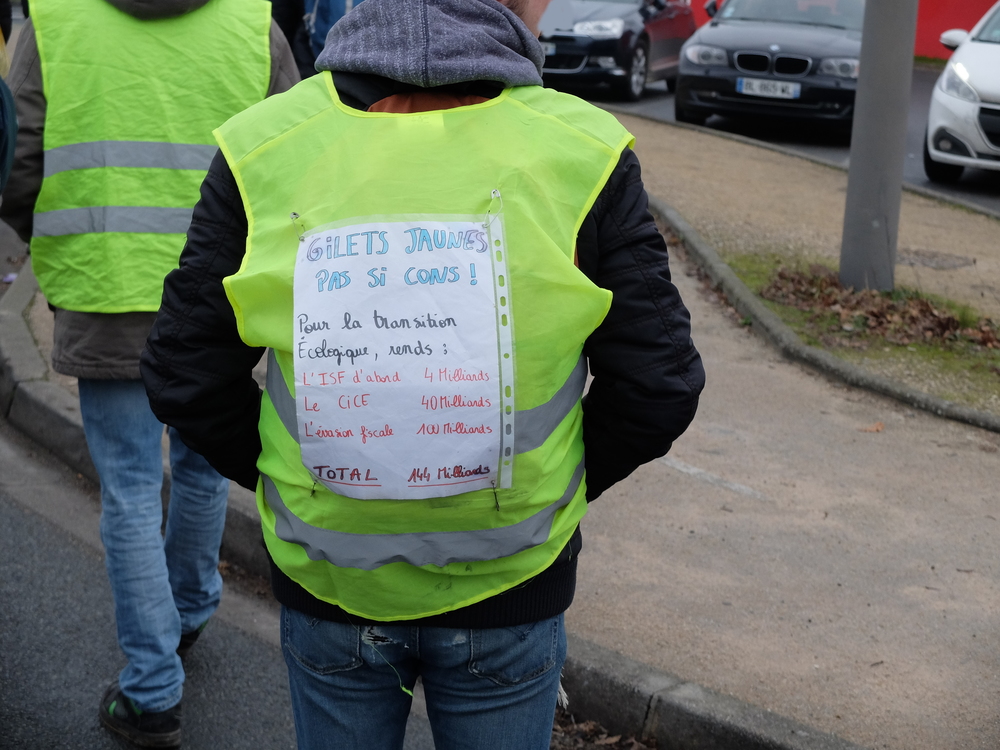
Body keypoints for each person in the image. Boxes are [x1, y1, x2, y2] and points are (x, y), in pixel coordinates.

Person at [140, 0, 705, 747]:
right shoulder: (582, 151)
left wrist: (301, 474)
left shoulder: (265, 148)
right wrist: (553, 477)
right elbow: (659, 382)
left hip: (330, 581)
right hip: (512, 583)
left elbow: (184, 369)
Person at [0, 0, 298, 747]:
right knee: (200, 467)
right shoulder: (251, 22)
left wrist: (25, 231)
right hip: (219, 291)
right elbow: (296, 153)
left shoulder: (55, 20)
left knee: (130, 486)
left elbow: (22, 152)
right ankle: (192, 605)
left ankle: (151, 688)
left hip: (106, 280)